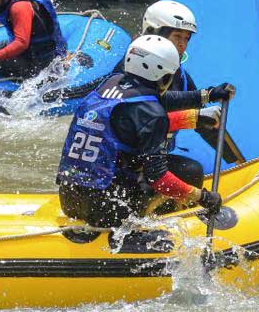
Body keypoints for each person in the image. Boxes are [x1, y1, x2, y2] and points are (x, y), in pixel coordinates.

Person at [56, 35, 233, 228]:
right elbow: (158, 178)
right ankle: (162, 226)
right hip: (108, 211)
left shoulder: (112, 84)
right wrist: (203, 197)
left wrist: (207, 96)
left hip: (69, 198)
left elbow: (155, 101)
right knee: (189, 171)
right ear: (165, 76)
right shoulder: (151, 113)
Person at [128, 0, 243, 182]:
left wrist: (238, 162)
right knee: (191, 171)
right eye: (177, 36)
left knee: (189, 169)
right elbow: (147, 111)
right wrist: (198, 109)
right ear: (152, 32)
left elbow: (204, 122)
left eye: (186, 38)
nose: (182, 44)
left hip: (151, 158)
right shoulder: (130, 70)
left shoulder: (180, 76)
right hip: (126, 161)